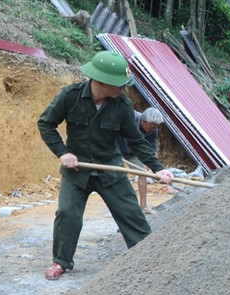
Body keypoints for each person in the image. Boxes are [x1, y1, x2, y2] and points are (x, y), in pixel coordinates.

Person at [38, 50, 174, 281]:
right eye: (120, 85)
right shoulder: (69, 96)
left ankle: (150, 258)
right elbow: (46, 124)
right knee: (67, 213)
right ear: (102, 82)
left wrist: (157, 167)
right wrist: (63, 152)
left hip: (109, 169)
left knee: (131, 212)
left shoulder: (121, 105)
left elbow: (136, 141)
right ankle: (60, 262)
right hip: (76, 170)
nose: (123, 89)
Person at [117, 107, 164, 215]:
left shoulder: (153, 130)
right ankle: (115, 208)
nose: (154, 129)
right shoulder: (129, 117)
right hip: (116, 149)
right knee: (115, 176)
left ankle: (143, 206)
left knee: (142, 173)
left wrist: (153, 166)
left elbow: (152, 148)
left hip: (133, 153)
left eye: (156, 127)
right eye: (153, 127)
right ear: (144, 122)